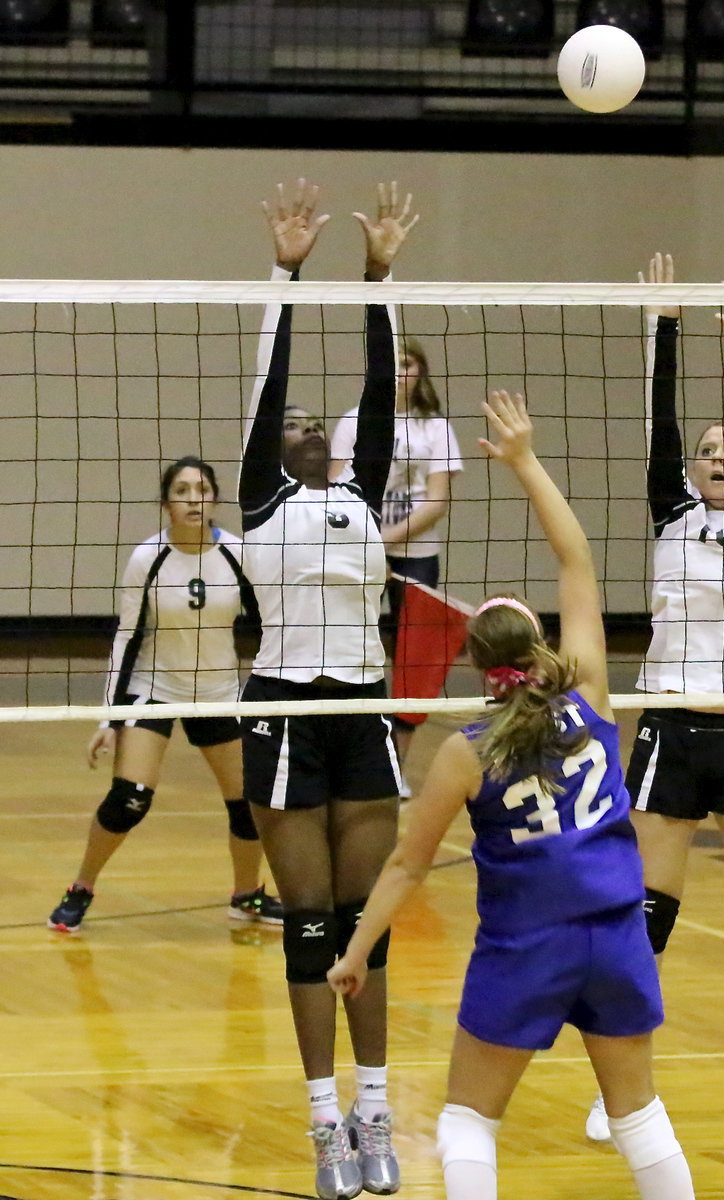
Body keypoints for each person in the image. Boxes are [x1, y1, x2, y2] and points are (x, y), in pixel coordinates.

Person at [329, 390, 696, 1200]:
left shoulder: (464, 754)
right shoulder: (592, 697)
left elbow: (403, 865)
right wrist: (526, 463)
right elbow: (577, 563)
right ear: (539, 645)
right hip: (615, 935)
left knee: (467, 1123)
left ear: (474, 666)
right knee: (638, 1117)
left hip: (526, 946)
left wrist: (355, 953)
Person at [586, 253, 724, 1152]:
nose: (718, 456)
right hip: (671, 729)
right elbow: (658, 422)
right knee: (648, 914)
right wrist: (662, 325)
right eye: (708, 451)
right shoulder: (670, 514)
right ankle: (624, 1092)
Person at [237, 178, 416, 1200]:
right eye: (291, 424)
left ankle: (377, 1107)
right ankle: (322, 1123)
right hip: (283, 715)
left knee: (365, 924)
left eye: (319, 423)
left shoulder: (358, 490)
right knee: (308, 926)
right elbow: (269, 379)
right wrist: (286, 270)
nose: (305, 426)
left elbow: (382, 387)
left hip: (358, 713)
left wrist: (379, 277)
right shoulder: (265, 499)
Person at [47, 456, 282, 934]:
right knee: (129, 799)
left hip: (218, 693)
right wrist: (110, 720)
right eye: (182, 491)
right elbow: (126, 638)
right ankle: (81, 887)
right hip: (155, 689)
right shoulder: (148, 558)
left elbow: (273, 624)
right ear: (166, 505)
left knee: (248, 804)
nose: (194, 498)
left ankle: (246, 896)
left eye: (202, 489)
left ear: (214, 498)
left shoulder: (240, 555)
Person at [330, 337, 463, 795]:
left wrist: (383, 541)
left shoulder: (437, 429)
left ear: (421, 372)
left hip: (416, 558)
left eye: (409, 363)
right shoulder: (353, 422)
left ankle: (395, 769)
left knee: (414, 663)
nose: (401, 371)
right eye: (394, 363)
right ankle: (350, 760)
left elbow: (438, 500)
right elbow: (338, 495)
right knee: (351, 652)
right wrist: (367, 549)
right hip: (360, 559)